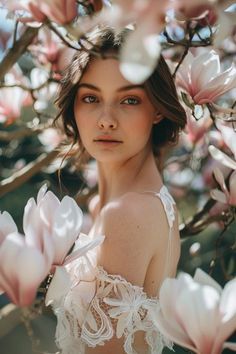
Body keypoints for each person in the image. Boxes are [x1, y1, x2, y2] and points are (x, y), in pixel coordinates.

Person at [51, 26, 187, 354]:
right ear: (74, 107)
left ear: (156, 109)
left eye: (129, 99)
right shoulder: (131, 205)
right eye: (91, 98)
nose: (106, 120)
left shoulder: (128, 213)